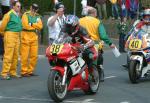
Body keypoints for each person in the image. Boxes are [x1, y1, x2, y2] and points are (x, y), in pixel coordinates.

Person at [79, 7, 116, 81]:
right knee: (99, 57)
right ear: (93, 13)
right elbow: (103, 36)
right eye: (96, 13)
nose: (96, 15)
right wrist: (110, 43)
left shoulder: (80, 20)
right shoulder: (97, 22)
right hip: (94, 43)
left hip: (81, 43)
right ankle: (100, 72)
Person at [0, 1, 22, 80]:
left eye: (20, 6)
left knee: (15, 55)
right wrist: (4, 34)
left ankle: (13, 72)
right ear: (13, 6)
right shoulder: (8, 14)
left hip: (17, 35)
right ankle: (4, 73)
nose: (19, 8)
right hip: (10, 34)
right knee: (8, 55)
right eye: (17, 6)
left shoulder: (17, 15)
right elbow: (2, 27)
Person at [20, 3, 43, 77]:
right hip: (25, 36)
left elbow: (40, 26)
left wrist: (31, 24)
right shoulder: (25, 15)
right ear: (30, 8)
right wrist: (34, 25)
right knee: (25, 55)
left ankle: (30, 71)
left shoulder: (38, 16)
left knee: (34, 55)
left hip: (34, 37)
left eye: (35, 9)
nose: (34, 10)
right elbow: (25, 25)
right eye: (33, 8)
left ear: (37, 10)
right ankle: (24, 71)